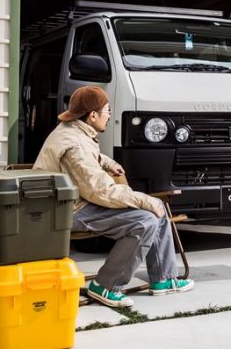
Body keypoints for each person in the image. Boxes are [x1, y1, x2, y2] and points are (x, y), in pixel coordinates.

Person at [34, 86, 193, 308]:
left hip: (76, 201)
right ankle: (105, 286)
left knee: (152, 210)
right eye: (107, 110)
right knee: (145, 220)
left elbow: (91, 158)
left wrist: (108, 163)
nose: (109, 115)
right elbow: (100, 190)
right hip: (68, 211)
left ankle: (163, 280)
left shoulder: (74, 131)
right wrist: (145, 200)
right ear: (92, 115)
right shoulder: (75, 144)